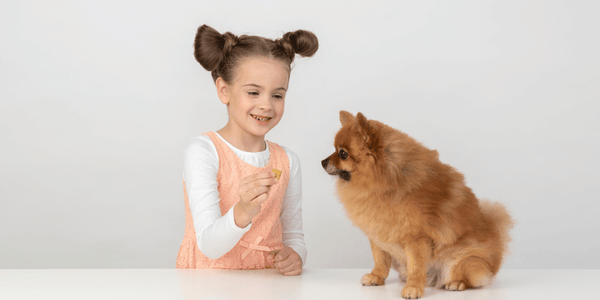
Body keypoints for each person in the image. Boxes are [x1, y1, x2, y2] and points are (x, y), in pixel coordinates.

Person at [176, 24, 318, 276]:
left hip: (268, 285)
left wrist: (296, 256)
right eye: (253, 92)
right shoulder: (203, 151)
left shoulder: (287, 161)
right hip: (208, 285)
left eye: (277, 95)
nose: (266, 105)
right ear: (224, 90)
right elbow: (209, 246)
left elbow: (294, 237)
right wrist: (243, 210)